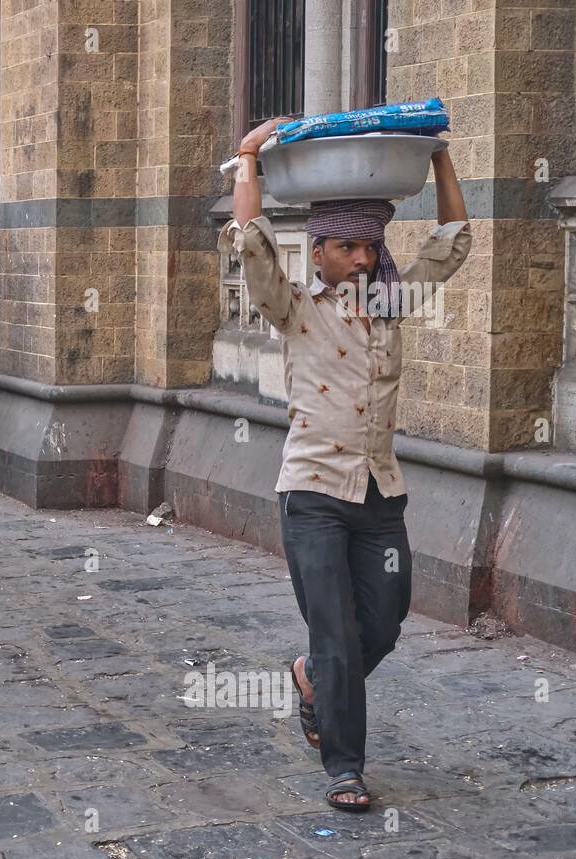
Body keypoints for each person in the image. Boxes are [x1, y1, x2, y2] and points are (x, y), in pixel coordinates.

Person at [223, 116, 471, 811]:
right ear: (320, 252)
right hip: (312, 497)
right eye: (349, 248)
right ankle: (346, 769)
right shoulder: (295, 308)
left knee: (385, 620)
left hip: (379, 494)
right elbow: (252, 242)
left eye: (371, 247)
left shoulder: (392, 304)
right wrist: (249, 156)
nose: (363, 261)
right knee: (334, 628)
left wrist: (439, 158)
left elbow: (451, 247)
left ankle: (311, 676)